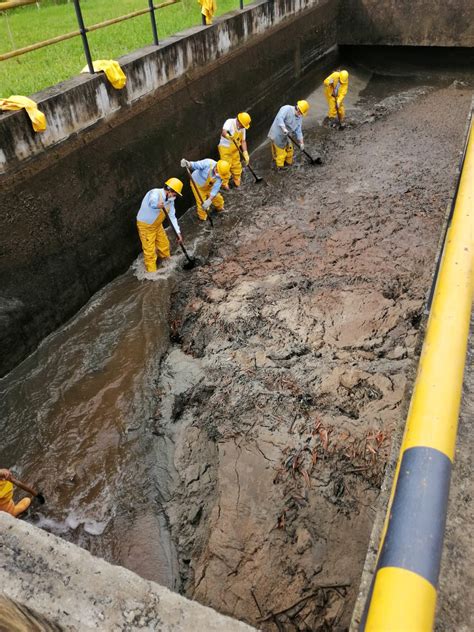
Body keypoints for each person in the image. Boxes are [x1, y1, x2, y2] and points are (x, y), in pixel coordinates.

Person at [136, 178, 184, 273]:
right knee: (150, 252)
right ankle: (152, 274)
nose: (175, 196)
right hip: (146, 227)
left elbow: (172, 217)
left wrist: (178, 233)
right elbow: (152, 202)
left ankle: (167, 264)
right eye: (175, 194)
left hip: (157, 225)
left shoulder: (170, 201)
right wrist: (157, 205)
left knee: (164, 245)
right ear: (170, 190)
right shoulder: (155, 193)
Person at [268, 100, 310, 170]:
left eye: (301, 113)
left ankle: (288, 165)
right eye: (299, 112)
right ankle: (279, 168)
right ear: (297, 107)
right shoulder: (286, 109)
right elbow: (279, 118)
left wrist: (301, 143)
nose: (300, 114)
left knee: (290, 151)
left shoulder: (299, 118)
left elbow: (298, 130)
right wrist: (284, 128)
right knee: (281, 155)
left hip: (287, 135)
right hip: (277, 135)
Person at [217, 112, 251, 189]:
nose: (243, 127)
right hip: (225, 149)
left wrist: (245, 153)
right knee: (225, 168)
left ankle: (237, 180)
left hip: (235, 150)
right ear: (239, 122)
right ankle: (224, 184)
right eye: (242, 125)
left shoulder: (242, 128)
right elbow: (223, 132)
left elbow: (243, 141)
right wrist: (227, 136)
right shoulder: (230, 122)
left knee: (237, 166)